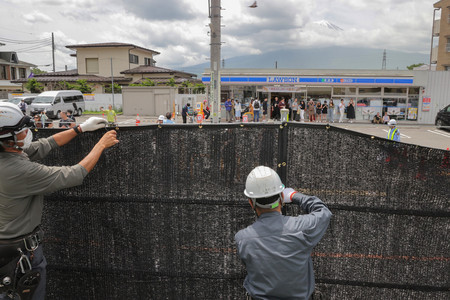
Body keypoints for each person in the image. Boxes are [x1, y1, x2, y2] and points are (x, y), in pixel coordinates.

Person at [0, 102, 118, 300]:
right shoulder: (20, 171)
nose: (28, 132)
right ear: (8, 138)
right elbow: (73, 175)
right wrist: (101, 145)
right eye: (22, 130)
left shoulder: (9, 154)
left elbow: (45, 145)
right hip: (19, 255)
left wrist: (79, 129)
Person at [235, 166, 332, 300]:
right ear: (281, 197)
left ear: (251, 202)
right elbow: (324, 212)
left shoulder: (242, 239)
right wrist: (294, 196)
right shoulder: (301, 228)